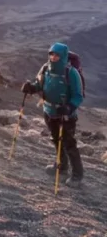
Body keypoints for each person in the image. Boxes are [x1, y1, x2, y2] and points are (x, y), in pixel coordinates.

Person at [21, 42, 84, 187]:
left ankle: (77, 175)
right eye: (51, 54)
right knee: (56, 139)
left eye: (57, 55)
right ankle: (61, 166)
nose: (54, 57)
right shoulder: (45, 68)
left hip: (65, 115)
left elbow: (78, 95)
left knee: (69, 143)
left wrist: (69, 107)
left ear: (63, 56)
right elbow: (39, 84)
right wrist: (30, 87)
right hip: (49, 111)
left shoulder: (71, 72)